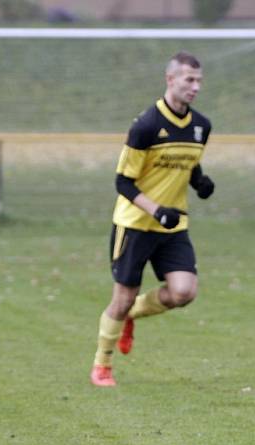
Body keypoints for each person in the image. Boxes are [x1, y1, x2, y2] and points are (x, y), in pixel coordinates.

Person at [91, 51, 216, 387]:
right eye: (189, 80)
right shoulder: (146, 126)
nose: (195, 87)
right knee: (122, 297)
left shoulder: (202, 126)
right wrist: (156, 209)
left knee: (184, 292)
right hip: (135, 224)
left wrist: (199, 181)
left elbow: (187, 162)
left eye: (199, 81)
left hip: (174, 225)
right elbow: (123, 182)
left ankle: (131, 314)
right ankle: (102, 366)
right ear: (170, 79)